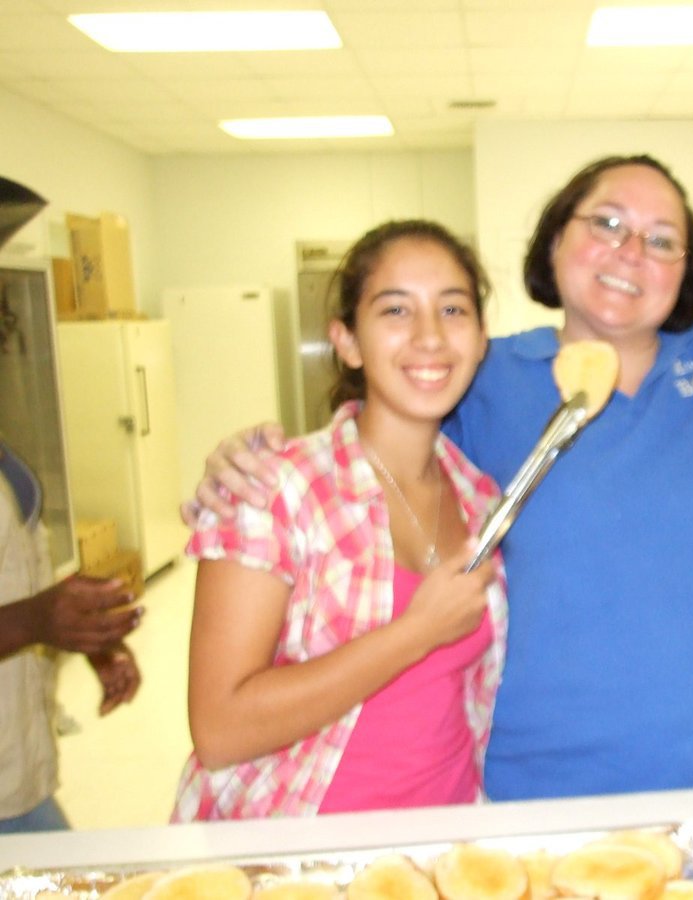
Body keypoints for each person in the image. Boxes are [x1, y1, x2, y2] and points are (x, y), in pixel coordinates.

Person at [184, 154, 693, 800]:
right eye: (606, 223)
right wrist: (241, 457)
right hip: (550, 798)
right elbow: (375, 433)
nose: (630, 251)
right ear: (555, 241)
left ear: (686, 270)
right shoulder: (480, 380)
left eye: (662, 240)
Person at [171, 220, 506, 821]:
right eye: (396, 310)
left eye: (453, 309)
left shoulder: (481, 499)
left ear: (482, 340)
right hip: (308, 847)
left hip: (451, 835)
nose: (430, 336)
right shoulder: (273, 488)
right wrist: (417, 631)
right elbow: (220, 729)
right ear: (347, 341)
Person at [1, 437, 142, 833]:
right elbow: (27, 613)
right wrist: (33, 620)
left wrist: (81, 630)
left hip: (21, 778)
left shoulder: (8, 459)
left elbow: (20, 584)